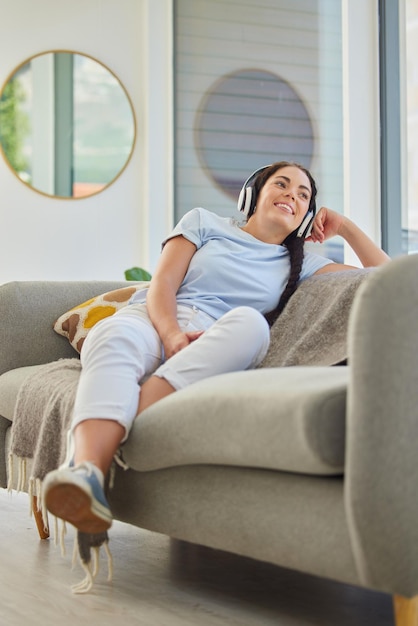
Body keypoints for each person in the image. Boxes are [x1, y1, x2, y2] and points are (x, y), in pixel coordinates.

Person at [43, 161, 390, 533]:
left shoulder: (303, 265)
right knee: (112, 335)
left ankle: (110, 435)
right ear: (252, 194)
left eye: (303, 194)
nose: (293, 195)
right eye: (282, 184)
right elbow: (163, 284)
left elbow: (389, 279)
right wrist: (172, 334)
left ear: (306, 215)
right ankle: (86, 472)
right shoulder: (203, 222)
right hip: (158, 321)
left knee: (252, 324)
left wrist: (346, 228)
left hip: (218, 339)